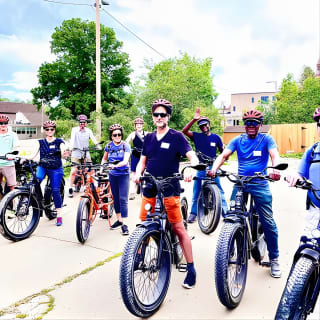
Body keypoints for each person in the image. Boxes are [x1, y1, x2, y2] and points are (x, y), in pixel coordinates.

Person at [134, 98, 199, 289]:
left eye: (163, 114)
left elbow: (192, 155)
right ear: (153, 117)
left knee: (178, 228)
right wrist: (138, 173)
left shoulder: (177, 136)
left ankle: (191, 268)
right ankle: (137, 257)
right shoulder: (149, 138)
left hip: (170, 184)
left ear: (168, 116)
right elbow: (142, 161)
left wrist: (192, 169)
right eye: (156, 114)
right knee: (144, 223)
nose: (159, 117)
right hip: (150, 184)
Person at [209, 109, 282, 278]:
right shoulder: (237, 140)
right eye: (248, 123)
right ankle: (231, 243)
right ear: (244, 125)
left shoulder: (267, 139)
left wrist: (275, 169)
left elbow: (274, 156)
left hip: (260, 183)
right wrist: (214, 168)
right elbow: (223, 156)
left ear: (260, 125)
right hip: (240, 183)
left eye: (254, 123)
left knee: (268, 222)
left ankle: (275, 258)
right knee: (232, 214)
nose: (251, 126)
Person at [182, 108, 228, 223]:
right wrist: (194, 119)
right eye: (201, 126)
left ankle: (225, 213)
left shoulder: (216, 137)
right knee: (196, 190)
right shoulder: (197, 136)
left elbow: (223, 152)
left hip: (213, 166)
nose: (204, 127)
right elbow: (184, 131)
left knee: (219, 190)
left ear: (209, 125)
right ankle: (193, 213)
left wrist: (224, 155)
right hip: (200, 166)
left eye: (205, 125)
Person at [286, 107, 320, 238]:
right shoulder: (312, 151)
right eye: (319, 124)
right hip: (315, 208)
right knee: (308, 246)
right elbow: (300, 173)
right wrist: (295, 176)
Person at [34, 121, 67, 226]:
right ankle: (40, 201)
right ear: (44, 130)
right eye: (47, 129)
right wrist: (24, 158)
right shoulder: (40, 142)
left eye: (51, 129)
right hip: (43, 166)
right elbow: (33, 154)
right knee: (35, 180)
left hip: (56, 168)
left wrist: (64, 153)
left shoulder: (59, 141)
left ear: (54, 130)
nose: (49, 131)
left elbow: (63, 150)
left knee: (56, 190)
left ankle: (59, 215)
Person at [101, 124, 131, 235]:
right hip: (112, 175)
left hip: (123, 174)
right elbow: (104, 159)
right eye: (115, 135)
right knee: (116, 199)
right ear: (112, 136)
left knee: (123, 199)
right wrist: (101, 168)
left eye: (119, 134)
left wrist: (115, 166)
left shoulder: (125, 145)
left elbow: (125, 161)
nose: (118, 136)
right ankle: (119, 220)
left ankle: (125, 224)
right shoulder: (109, 146)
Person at [68, 115, 100, 198]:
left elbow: (93, 138)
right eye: (80, 122)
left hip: (86, 152)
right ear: (78, 123)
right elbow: (72, 139)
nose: (82, 124)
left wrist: (97, 145)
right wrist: (71, 148)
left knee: (90, 169)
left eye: (84, 122)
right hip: (76, 152)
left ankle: (92, 186)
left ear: (86, 123)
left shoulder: (88, 131)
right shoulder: (74, 130)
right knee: (74, 171)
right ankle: (70, 188)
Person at [125, 117, 148, 200]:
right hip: (135, 155)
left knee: (147, 172)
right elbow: (126, 142)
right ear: (135, 126)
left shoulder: (147, 134)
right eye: (137, 124)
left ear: (143, 125)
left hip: (145, 155)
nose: (139, 126)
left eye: (140, 124)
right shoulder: (133, 134)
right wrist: (127, 149)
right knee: (134, 173)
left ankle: (146, 190)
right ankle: (132, 192)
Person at [0, 114, 19, 193]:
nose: (3, 125)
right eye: (1, 123)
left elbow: (16, 147)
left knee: (12, 187)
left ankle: (14, 204)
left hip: (8, 164)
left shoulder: (13, 135)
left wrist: (13, 154)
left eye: (5, 123)